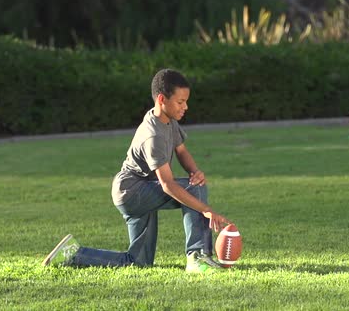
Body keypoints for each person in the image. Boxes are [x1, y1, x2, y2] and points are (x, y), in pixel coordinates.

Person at [43, 69, 232, 272]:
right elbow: (168, 186)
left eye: (186, 101)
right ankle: (198, 257)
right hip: (133, 191)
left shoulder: (168, 121)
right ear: (162, 99)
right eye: (180, 102)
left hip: (138, 189)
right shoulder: (153, 135)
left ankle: (72, 254)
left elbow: (182, 150)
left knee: (139, 261)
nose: (185, 107)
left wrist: (195, 171)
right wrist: (207, 209)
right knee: (194, 188)